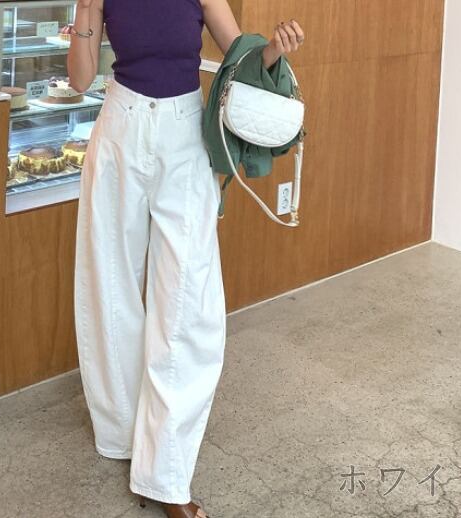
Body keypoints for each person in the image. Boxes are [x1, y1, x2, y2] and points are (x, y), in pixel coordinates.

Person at [68, 1, 304, 516]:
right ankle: (123, 435)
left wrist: (272, 51)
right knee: (108, 286)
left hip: (184, 133)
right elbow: (81, 80)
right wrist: (86, 6)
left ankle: (165, 474)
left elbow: (239, 59)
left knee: (187, 304)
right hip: (120, 127)